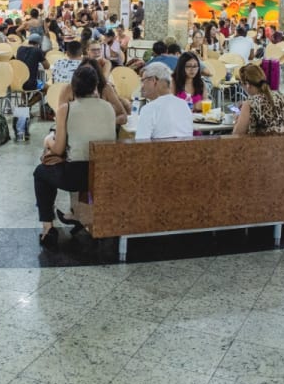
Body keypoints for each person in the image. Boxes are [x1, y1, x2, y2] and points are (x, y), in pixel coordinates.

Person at [34, 63, 118, 248]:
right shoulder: (109, 108)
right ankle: (79, 214)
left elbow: (58, 149)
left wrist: (48, 141)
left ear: (73, 87)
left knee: (41, 173)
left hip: (76, 175)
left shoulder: (66, 109)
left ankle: (48, 227)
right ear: (95, 85)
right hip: (104, 174)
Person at [134, 62, 193, 140]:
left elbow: (141, 143)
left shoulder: (149, 109)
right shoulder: (183, 105)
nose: (142, 86)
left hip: (160, 148)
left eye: (143, 81)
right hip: (185, 147)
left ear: (153, 81)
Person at [232, 63, 284, 136]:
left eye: (241, 83)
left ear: (247, 84)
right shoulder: (281, 97)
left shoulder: (250, 103)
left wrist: (237, 120)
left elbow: (237, 134)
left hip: (261, 143)